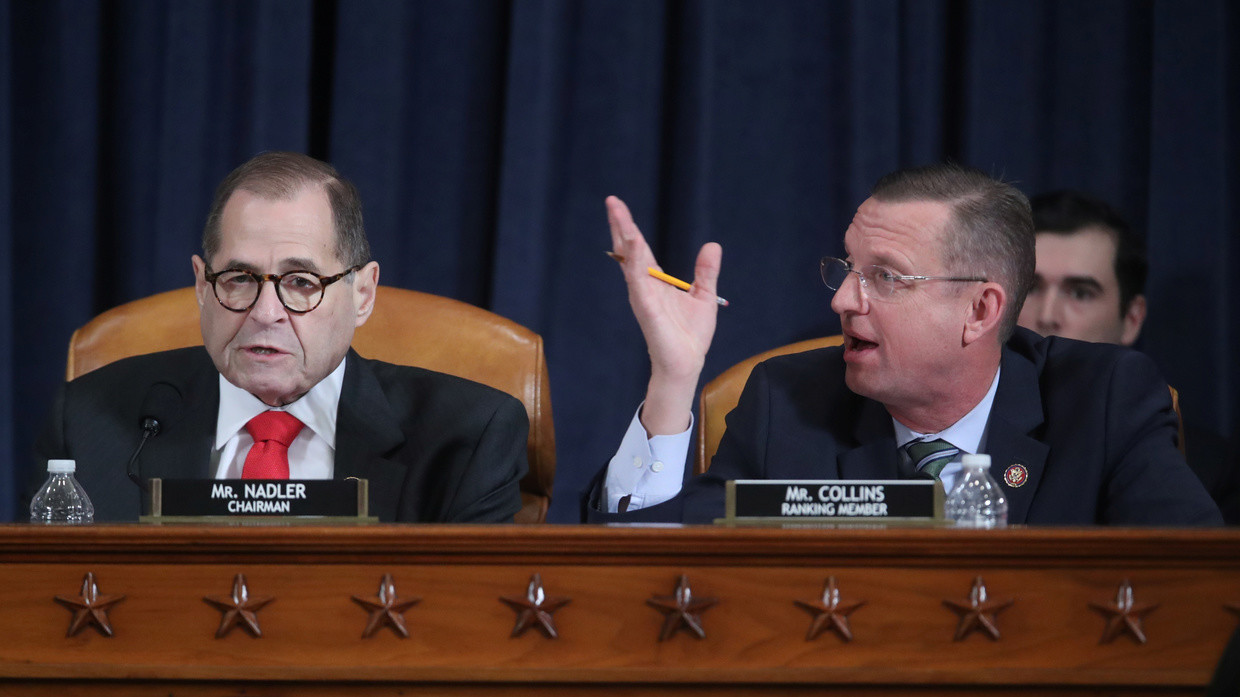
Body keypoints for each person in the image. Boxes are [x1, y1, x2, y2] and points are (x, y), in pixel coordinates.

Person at [583, 164, 1221, 525]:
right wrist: (672, 378)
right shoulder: (792, 403)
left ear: (980, 310)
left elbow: (1188, 579)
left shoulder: (1104, 401)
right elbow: (655, 566)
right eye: (847, 268)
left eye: (884, 277)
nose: (842, 300)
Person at [35, 151, 528, 522]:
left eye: (300, 283)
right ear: (201, 286)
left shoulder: (465, 438)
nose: (265, 313)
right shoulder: (88, 421)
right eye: (239, 279)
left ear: (363, 293)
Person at [1017, 190, 1238, 522]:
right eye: (1029, 287)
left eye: (1080, 293)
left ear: (1132, 318)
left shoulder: (1210, 469)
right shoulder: (958, 432)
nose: (1048, 315)